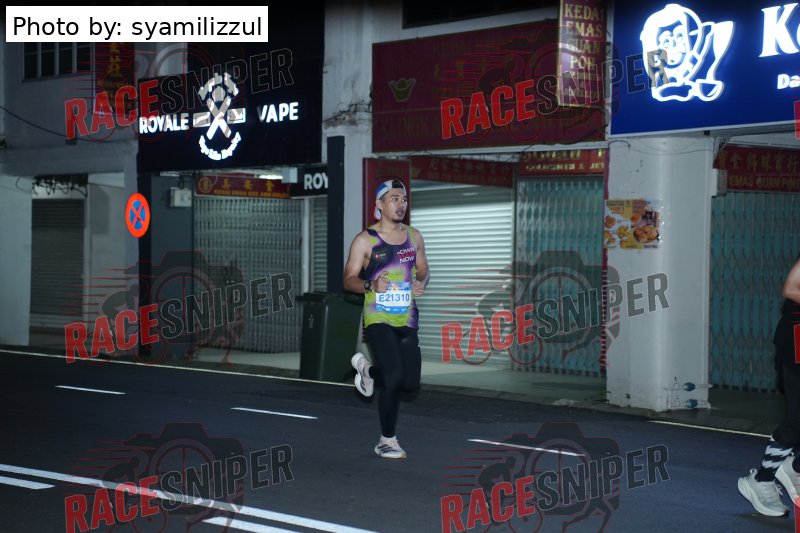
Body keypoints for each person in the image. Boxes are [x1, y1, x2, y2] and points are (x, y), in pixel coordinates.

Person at [343, 179, 429, 459]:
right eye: (394, 199)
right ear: (379, 204)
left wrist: (421, 282)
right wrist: (371, 285)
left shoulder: (414, 237)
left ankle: (368, 372)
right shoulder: (365, 240)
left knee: (410, 383)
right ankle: (387, 441)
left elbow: (423, 269)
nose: (401, 204)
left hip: (407, 318)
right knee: (393, 377)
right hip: (378, 317)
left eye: (403, 199)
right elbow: (348, 279)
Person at [738, 255, 800, 516]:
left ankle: (793, 467)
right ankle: (762, 480)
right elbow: (791, 288)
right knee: (797, 420)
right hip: (797, 339)